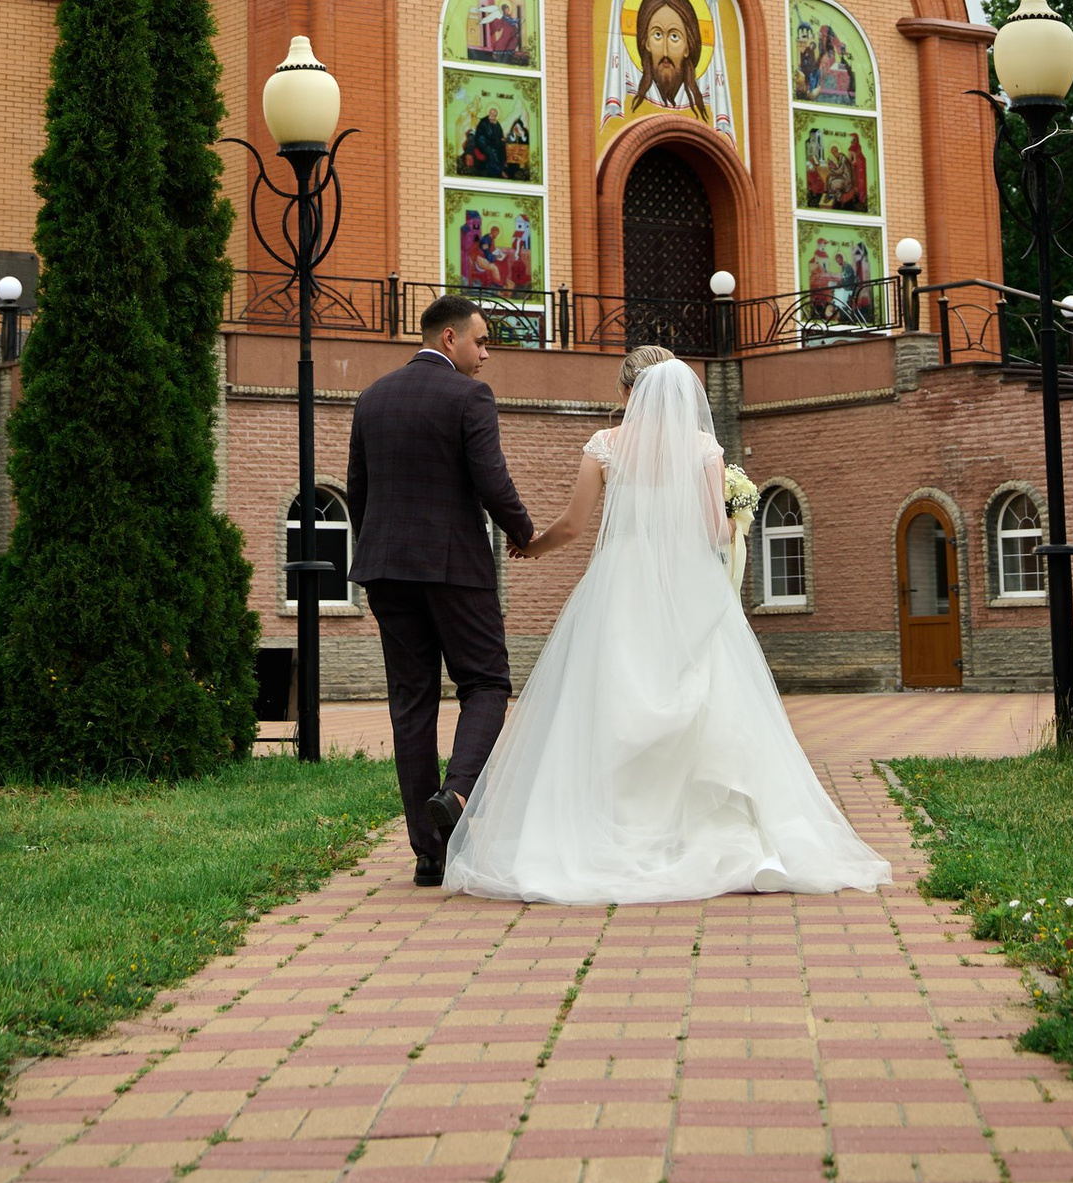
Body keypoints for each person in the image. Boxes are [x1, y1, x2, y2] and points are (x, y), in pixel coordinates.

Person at [441, 342, 888, 905]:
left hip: (621, 582)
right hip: (685, 584)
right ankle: (706, 825)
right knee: (706, 692)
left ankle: (610, 825)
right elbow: (714, 532)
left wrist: (530, 547)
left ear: (630, 391)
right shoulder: (702, 445)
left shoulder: (606, 444)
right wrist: (730, 522)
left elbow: (576, 525)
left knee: (610, 694)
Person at [344, 291, 535, 885]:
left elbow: (358, 492)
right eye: (481, 341)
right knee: (486, 681)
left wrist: (382, 548)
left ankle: (428, 854)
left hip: (386, 571)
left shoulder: (371, 398)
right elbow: (491, 480)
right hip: (454, 569)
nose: (486, 355)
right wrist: (523, 532)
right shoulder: (469, 394)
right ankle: (455, 798)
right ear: (448, 338)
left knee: (412, 703)